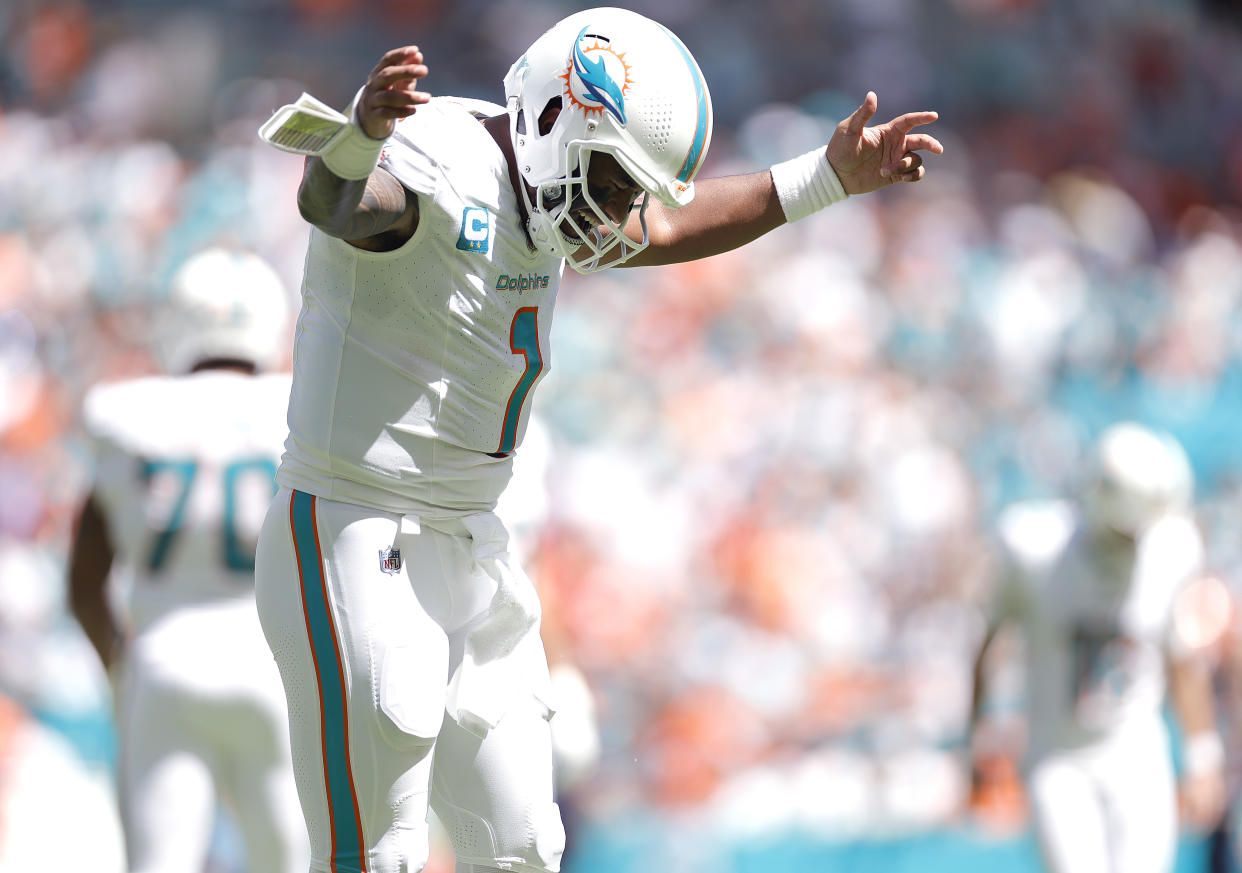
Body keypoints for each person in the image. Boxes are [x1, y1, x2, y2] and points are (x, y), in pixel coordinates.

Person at [252, 7, 943, 873]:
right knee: (377, 857)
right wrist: (355, 139)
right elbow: (337, 202)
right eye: (615, 181)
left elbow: (670, 227)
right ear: (554, 117)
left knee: (524, 847)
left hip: (472, 538)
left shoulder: (548, 187)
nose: (620, 209)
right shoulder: (434, 157)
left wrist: (826, 178)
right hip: (355, 525)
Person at [68, 248, 309, 873]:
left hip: (165, 657)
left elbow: (84, 579)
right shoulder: (301, 409)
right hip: (276, 669)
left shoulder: (126, 414)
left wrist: (125, 667)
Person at [967, 422, 1227, 873]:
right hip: (1058, 756)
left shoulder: (1172, 547)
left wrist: (1203, 755)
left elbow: (1182, 661)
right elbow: (989, 642)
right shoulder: (1034, 549)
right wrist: (979, 733)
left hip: (1135, 751)